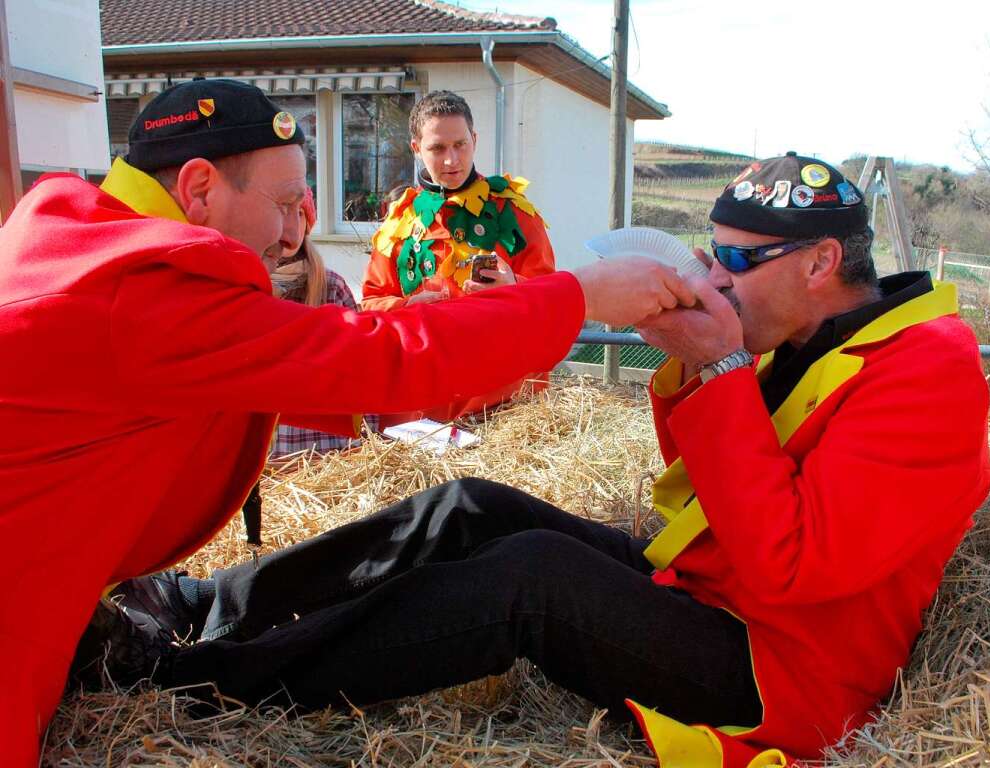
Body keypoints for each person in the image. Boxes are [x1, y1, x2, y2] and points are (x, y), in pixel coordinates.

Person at [104, 154, 990, 767]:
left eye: (734, 260)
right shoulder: (810, 330)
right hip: (724, 596)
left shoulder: (930, 373)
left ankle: (198, 681)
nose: (714, 278)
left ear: (822, 262)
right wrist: (695, 366)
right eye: (709, 255)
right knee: (473, 504)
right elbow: (703, 482)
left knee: (530, 579)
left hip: (781, 672)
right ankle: (205, 604)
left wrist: (721, 369)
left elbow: (789, 561)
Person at [0, 77, 691, 767]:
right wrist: (577, 295)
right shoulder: (142, 290)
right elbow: (382, 356)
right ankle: (201, 672)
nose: (291, 232)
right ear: (200, 188)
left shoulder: (79, 240)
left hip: (65, 598)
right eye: (281, 204)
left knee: (464, 509)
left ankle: (191, 615)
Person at [361, 90, 556, 422]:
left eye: (460, 145)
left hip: (506, 413)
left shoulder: (515, 214)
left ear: (474, 140)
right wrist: (407, 308)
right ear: (416, 149)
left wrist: (515, 288)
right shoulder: (398, 225)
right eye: (437, 148)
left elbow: (554, 303)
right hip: (421, 416)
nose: (451, 160)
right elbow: (370, 305)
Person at [269, 188, 378, 457]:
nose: (291, 226)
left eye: (300, 214)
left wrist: (368, 443)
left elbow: (364, 371)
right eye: (282, 212)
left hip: (328, 452)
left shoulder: (331, 287)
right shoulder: (246, 289)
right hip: (273, 458)